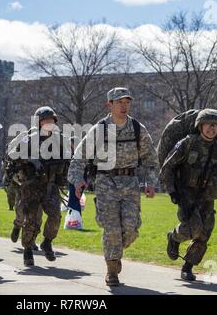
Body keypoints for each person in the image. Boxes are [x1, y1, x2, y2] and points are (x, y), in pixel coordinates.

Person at [68, 87, 158, 286]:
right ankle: (112, 269)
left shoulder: (137, 128)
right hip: (105, 183)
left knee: (131, 228)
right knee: (111, 229)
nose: (124, 106)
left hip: (130, 183)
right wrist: (77, 180)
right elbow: (79, 157)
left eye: (127, 102)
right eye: (119, 102)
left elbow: (151, 158)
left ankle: (115, 253)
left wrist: (150, 182)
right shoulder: (99, 130)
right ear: (109, 104)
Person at [160, 108, 217, 281]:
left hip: (207, 196)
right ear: (200, 126)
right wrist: (173, 192)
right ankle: (173, 237)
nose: (212, 129)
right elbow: (168, 167)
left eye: (215, 126)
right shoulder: (187, 143)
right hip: (186, 194)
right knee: (193, 228)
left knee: (205, 233)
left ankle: (187, 267)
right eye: (208, 125)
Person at [7, 106, 71, 266]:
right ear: (38, 123)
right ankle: (28, 249)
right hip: (31, 186)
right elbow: (12, 155)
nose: (49, 123)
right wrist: (30, 160)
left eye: (51, 120)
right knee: (31, 220)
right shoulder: (28, 138)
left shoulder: (60, 139)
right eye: (45, 120)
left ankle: (47, 242)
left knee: (55, 216)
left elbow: (70, 158)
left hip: (50, 185)